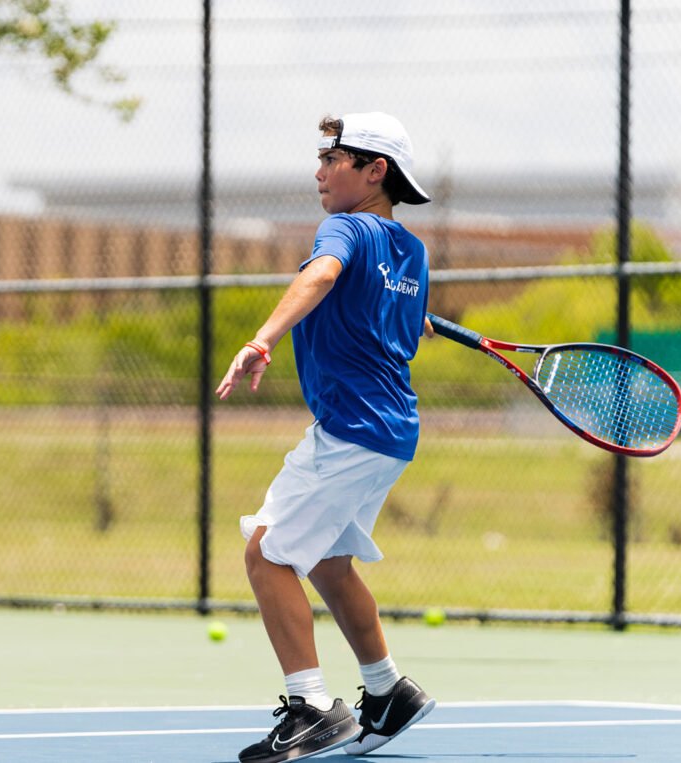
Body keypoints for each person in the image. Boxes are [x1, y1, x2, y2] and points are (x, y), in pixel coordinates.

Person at [216, 111, 435, 763]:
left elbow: (321, 275)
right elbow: (400, 319)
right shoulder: (411, 250)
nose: (319, 171)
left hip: (350, 427)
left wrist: (262, 338)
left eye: (332, 160)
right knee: (329, 564)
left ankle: (311, 706)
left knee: (267, 552)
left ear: (375, 171)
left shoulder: (344, 227)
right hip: (393, 429)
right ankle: (387, 688)